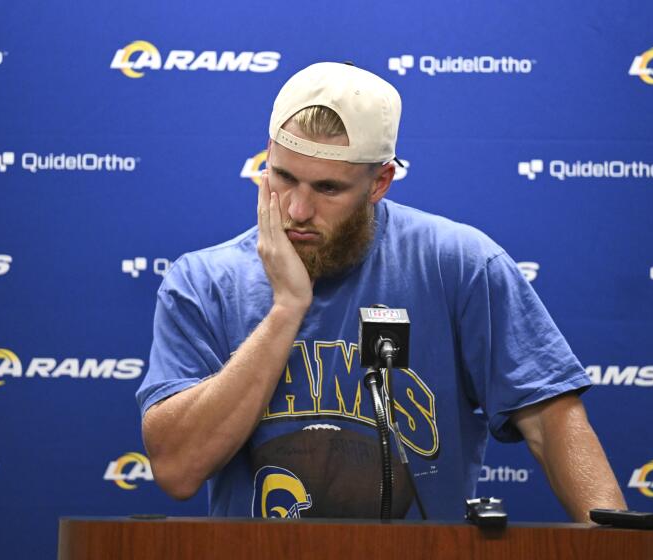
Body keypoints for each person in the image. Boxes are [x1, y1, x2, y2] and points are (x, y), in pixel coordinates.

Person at [136, 61, 627, 520]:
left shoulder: (457, 263)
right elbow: (177, 470)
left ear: (380, 182)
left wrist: (616, 548)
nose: (298, 210)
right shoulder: (203, 283)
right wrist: (287, 309)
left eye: (328, 188)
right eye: (283, 177)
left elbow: (550, 421)